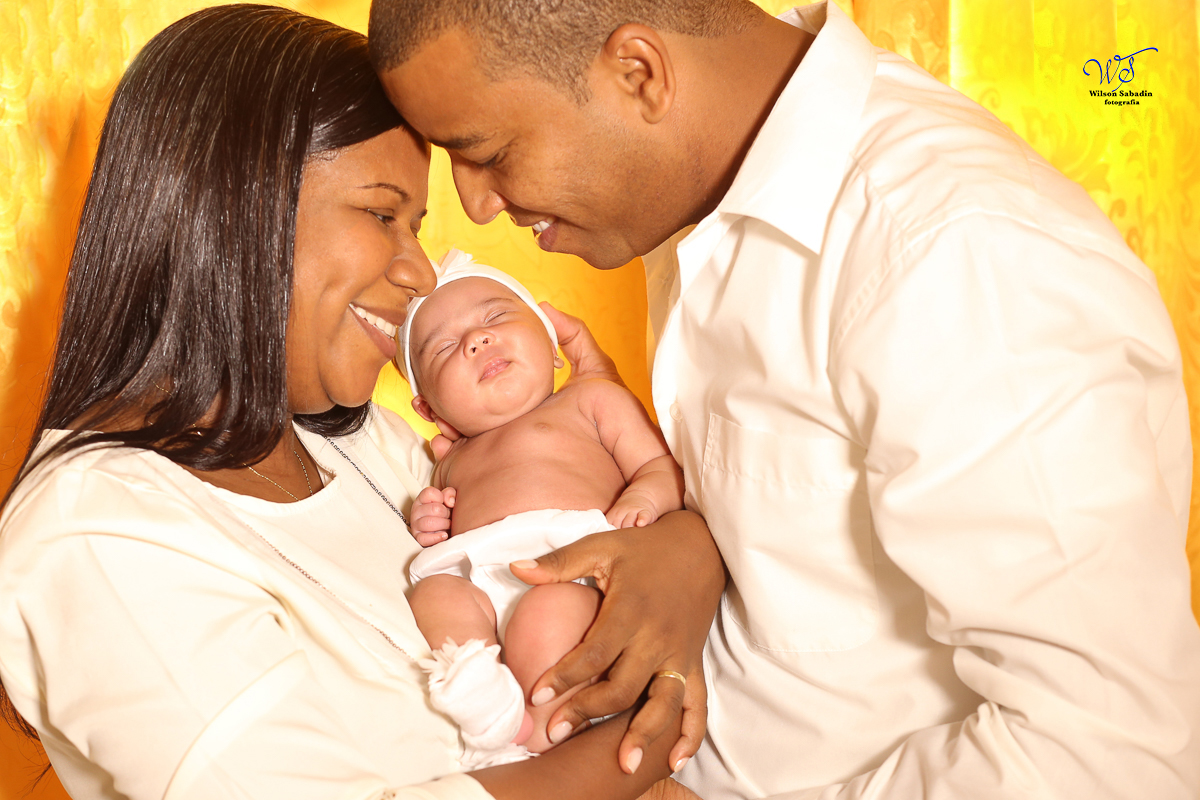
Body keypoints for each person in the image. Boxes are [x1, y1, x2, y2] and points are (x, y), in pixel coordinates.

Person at [367, 0, 1200, 798]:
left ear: (639, 72)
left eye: (488, 151)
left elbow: (1109, 755)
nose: (476, 205)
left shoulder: (959, 255)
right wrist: (684, 539)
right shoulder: (701, 196)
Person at [0, 6, 725, 800]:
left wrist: (673, 534)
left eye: (416, 226)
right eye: (383, 214)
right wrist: (644, 732)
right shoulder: (96, 535)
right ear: (238, 205)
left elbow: (573, 527)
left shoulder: (355, 439)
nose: (418, 272)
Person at [396, 251, 684, 762]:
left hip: (575, 570)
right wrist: (430, 516)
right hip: (481, 573)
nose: (475, 340)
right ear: (430, 411)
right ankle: (484, 695)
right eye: (444, 348)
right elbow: (439, 522)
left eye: (496, 316)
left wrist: (642, 498)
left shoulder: (591, 400)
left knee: (544, 617)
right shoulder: (451, 457)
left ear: (553, 345)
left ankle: (541, 738)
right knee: (434, 593)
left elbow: (660, 466)